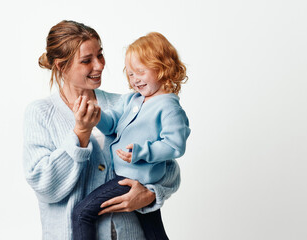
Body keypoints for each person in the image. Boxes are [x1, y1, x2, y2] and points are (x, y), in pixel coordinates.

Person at [22, 20, 181, 240]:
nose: (99, 65)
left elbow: (169, 168)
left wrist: (151, 194)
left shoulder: (127, 104)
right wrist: (80, 133)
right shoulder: (40, 113)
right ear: (61, 66)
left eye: (100, 55)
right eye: (87, 60)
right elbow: (45, 186)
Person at [71, 32, 190, 240]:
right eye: (131, 74)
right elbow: (112, 125)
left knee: (82, 213)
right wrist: (98, 116)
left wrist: (142, 152)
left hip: (132, 178)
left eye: (140, 72)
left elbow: (175, 146)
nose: (135, 80)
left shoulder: (169, 106)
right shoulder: (132, 100)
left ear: (162, 68)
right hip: (129, 175)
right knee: (153, 230)